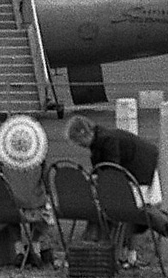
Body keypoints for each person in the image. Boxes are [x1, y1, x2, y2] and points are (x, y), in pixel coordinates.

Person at [64, 114, 161, 266]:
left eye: (78, 141)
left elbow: (111, 170)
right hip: (133, 171)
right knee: (131, 212)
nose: (80, 146)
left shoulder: (108, 141)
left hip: (141, 169)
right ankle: (128, 256)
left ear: (84, 133)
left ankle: (124, 254)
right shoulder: (99, 142)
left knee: (131, 212)